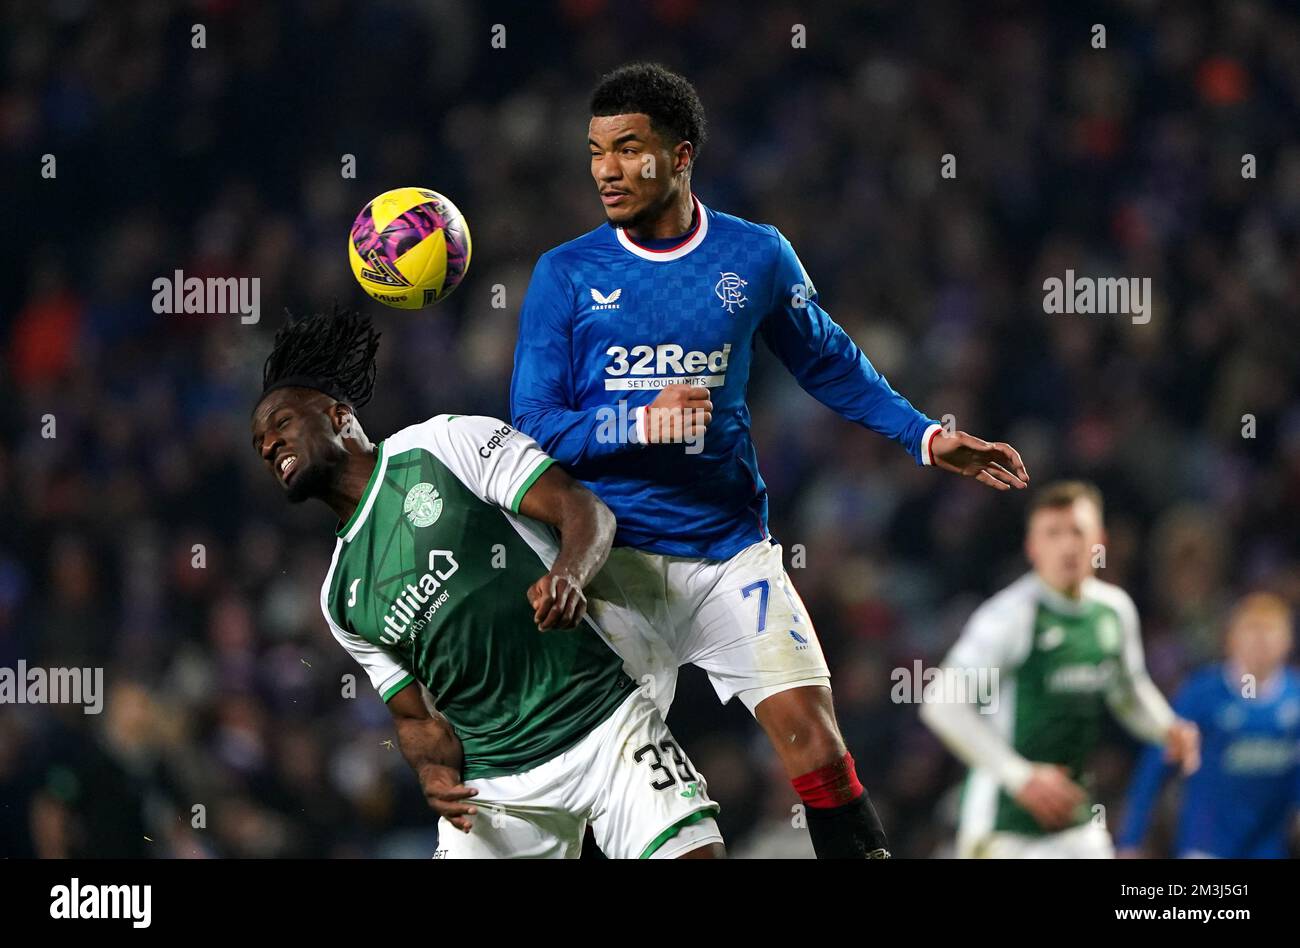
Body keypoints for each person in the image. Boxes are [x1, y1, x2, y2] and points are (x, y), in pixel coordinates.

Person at [510, 61, 1029, 858]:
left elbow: (829, 361)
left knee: (815, 741)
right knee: (595, 796)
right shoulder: (567, 274)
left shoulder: (754, 256)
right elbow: (533, 428)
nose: (606, 171)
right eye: (594, 151)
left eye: (627, 149)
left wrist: (926, 436)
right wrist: (635, 421)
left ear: (681, 156)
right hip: (606, 562)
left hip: (728, 551)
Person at [250, 307, 723, 859]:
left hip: (604, 720)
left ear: (337, 415)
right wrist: (429, 769)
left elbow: (582, 509)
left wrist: (568, 575)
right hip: (494, 784)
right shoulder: (339, 597)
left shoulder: (442, 444)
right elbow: (415, 718)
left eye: (280, 423)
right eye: (258, 440)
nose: (266, 445)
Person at [919, 481, 1200, 857]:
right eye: (1053, 533)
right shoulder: (1011, 616)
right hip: (1004, 827)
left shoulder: (1113, 611)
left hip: (1074, 818)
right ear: (1032, 546)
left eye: (1078, 532)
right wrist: (1020, 777)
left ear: (1099, 540)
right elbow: (940, 702)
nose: (1068, 545)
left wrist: (1166, 727)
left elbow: (1128, 693)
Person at [1118, 593, 1300, 858]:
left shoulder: (1295, 698)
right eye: (1251, 629)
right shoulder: (1202, 694)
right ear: (1231, 638)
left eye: (1270, 631)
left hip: (1267, 849)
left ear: (1288, 641)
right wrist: (1130, 841)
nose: (1260, 641)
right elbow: (1155, 766)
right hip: (1206, 847)